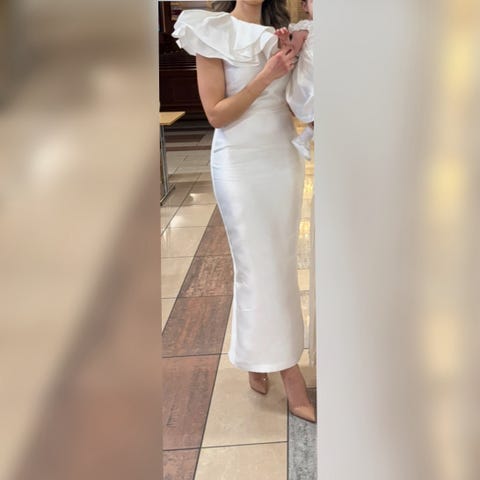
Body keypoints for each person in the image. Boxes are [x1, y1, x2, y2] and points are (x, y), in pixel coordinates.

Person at [173, 0, 315, 423]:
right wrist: (267, 74)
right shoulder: (210, 30)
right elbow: (217, 114)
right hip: (238, 161)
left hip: (281, 159)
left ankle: (258, 356)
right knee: (257, 266)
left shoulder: (282, 31)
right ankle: (289, 373)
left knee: (277, 264)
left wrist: (299, 63)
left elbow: (294, 104)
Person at [276, 0, 314, 159]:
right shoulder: (306, 27)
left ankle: (303, 139)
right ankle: (303, 139)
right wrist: (285, 41)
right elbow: (291, 51)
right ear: (305, 6)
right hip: (309, 78)